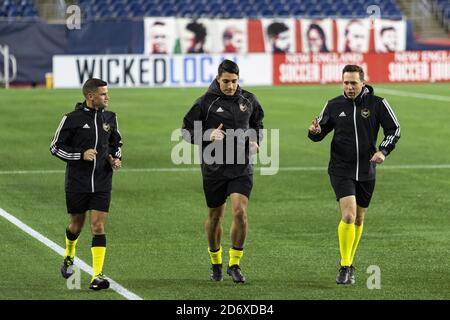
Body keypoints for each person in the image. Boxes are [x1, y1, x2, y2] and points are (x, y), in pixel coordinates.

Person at [308, 65, 400, 285]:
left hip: (367, 169)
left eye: (353, 83)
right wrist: (314, 132)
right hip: (341, 168)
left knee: (359, 218)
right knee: (348, 215)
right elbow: (318, 132)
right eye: (346, 83)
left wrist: (383, 150)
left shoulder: (377, 104)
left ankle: (349, 260)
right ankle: (345, 266)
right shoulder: (333, 105)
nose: (349, 87)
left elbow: (394, 129)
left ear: (363, 83)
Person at [182, 60, 264, 283]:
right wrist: (208, 135)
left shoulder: (249, 100)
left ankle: (234, 263)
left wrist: (257, 141)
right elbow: (186, 132)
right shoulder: (205, 102)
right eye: (226, 81)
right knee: (215, 216)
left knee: (240, 213)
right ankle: (215, 261)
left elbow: (258, 125)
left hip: (241, 166)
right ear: (218, 79)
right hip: (214, 168)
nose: (230, 86)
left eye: (234, 81)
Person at [50, 78, 122, 290]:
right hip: (77, 182)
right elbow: (55, 147)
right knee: (76, 225)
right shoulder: (71, 119)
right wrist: (80, 154)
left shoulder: (110, 117)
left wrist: (115, 157)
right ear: (90, 96)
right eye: (103, 94)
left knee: (98, 226)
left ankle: (96, 276)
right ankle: (69, 256)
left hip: (102, 180)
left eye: (107, 93)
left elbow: (116, 143)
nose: (107, 97)